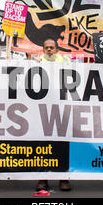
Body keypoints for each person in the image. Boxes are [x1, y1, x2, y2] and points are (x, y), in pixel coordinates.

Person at [34, 38, 71, 192]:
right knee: (43, 145)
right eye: (46, 47)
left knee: (62, 143)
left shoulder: (65, 60)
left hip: (61, 107)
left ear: (56, 49)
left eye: (52, 47)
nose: (49, 49)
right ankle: (43, 178)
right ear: (43, 50)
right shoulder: (36, 61)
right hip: (42, 108)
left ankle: (64, 178)